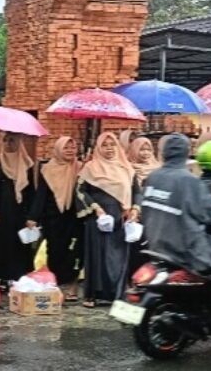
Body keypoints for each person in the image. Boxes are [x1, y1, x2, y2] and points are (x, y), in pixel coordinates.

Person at [142, 133, 211, 325]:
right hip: (188, 248)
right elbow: (206, 216)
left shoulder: (154, 176)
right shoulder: (189, 181)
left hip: (157, 243)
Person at [76, 132, 141, 308]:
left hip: (120, 218)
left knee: (117, 258)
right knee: (97, 257)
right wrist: (96, 208)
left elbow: (137, 192)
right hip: (98, 218)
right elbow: (80, 191)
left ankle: (117, 294)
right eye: (104, 145)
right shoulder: (90, 168)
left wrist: (135, 209)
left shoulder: (126, 168)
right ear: (98, 148)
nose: (109, 148)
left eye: (112, 144)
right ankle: (92, 295)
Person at [27, 137, 82, 301]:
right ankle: (55, 282)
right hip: (52, 217)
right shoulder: (48, 169)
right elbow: (41, 195)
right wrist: (33, 216)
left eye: (73, 147)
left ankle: (71, 283)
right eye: (66, 148)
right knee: (55, 250)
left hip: (74, 217)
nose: (70, 150)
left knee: (74, 251)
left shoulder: (79, 168)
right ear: (58, 149)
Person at [0, 132, 35, 285]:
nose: (8, 144)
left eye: (12, 140)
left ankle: (18, 277)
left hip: (20, 212)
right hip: (2, 210)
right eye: (6, 140)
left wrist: (31, 216)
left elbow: (31, 191)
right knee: (2, 243)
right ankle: (3, 278)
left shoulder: (27, 164)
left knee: (19, 243)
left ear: (19, 143)